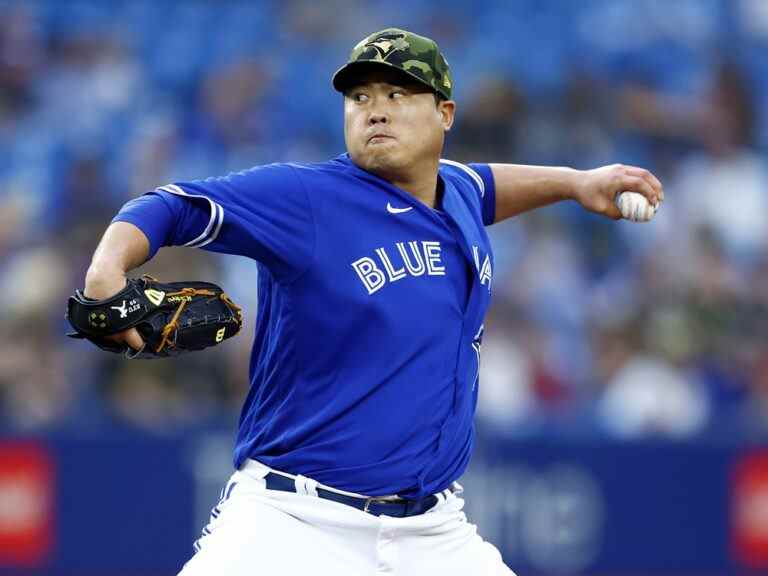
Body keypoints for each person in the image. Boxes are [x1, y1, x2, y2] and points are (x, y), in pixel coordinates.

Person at [82, 28, 663, 576]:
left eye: (398, 92)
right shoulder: (308, 199)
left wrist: (576, 182)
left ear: (445, 114)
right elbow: (172, 205)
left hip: (433, 532)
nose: (375, 108)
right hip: (294, 520)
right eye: (359, 96)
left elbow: (485, 185)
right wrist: (107, 270)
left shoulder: (454, 190)